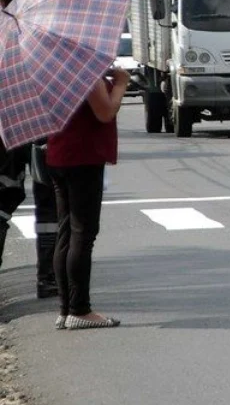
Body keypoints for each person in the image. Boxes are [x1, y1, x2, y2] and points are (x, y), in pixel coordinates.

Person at [47, 64, 129, 330]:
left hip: (60, 153)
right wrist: (121, 85)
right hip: (82, 156)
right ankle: (80, 309)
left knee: (67, 232)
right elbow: (105, 111)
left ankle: (66, 308)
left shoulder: (55, 69)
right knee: (83, 233)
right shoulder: (83, 70)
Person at [0, 0, 59, 299]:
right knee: (48, 206)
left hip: (12, 134)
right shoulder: (41, 36)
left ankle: (48, 276)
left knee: (6, 203)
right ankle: (47, 277)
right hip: (36, 132)